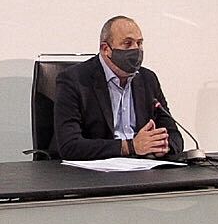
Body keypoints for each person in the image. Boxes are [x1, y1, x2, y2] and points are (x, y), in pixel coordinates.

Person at [50, 15, 185, 160]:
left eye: (139, 43)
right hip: (93, 173)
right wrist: (130, 146)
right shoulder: (74, 80)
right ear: (105, 49)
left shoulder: (148, 79)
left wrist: (163, 146)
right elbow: (70, 146)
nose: (136, 50)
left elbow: (174, 135)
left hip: (141, 168)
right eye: (127, 44)